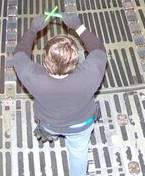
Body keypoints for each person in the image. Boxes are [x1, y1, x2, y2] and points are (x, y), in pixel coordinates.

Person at [12, 11, 107, 176]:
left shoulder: (31, 75)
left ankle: (52, 135)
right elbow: (98, 49)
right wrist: (78, 26)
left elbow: (19, 54)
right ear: (76, 59)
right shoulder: (91, 73)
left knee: (50, 131)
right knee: (79, 152)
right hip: (81, 125)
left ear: (45, 60)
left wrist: (33, 30)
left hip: (50, 123)